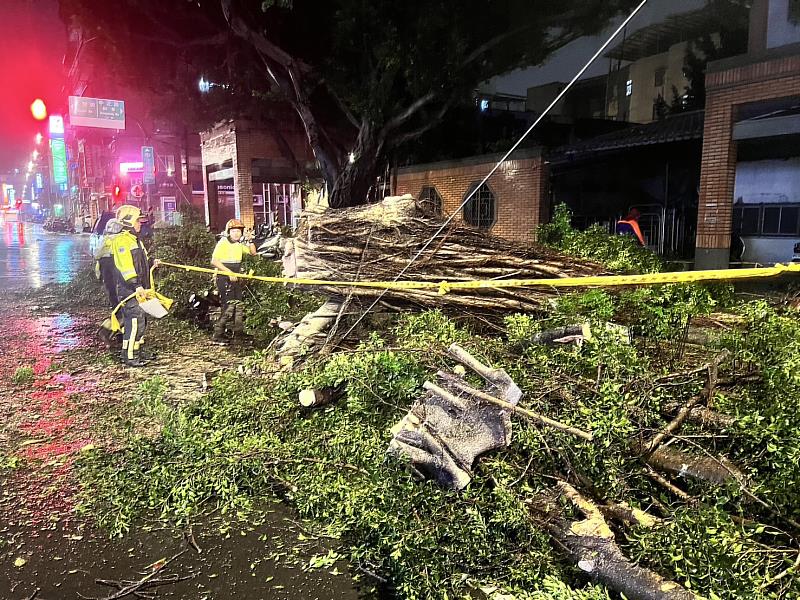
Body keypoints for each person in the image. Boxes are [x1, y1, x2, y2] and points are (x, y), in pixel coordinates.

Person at [111, 204, 160, 367]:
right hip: (130, 290)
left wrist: (153, 263)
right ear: (129, 222)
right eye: (138, 221)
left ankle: (137, 351)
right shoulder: (122, 241)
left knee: (141, 321)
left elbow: (141, 263)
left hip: (140, 289)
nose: (140, 224)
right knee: (134, 322)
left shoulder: (135, 240)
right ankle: (130, 356)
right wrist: (136, 285)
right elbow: (126, 267)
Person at [211, 218, 258, 345]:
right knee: (228, 306)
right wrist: (228, 272)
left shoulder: (239, 245)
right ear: (229, 232)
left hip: (236, 277)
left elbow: (253, 253)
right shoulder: (223, 243)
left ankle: (238, 332)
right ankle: (218, 334)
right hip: (224, 277)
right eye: (234, 231)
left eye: (239, 231)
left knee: (239, 305)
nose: (236, 233)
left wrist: (249, 240)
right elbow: (214, 261)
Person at [93, 216, 123, 309]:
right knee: (121, 286)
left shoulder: (105, 239)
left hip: (106, 265)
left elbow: (97, 253)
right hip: (119, 264)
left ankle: (115, 307)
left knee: (110, 287)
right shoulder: (123, 238)